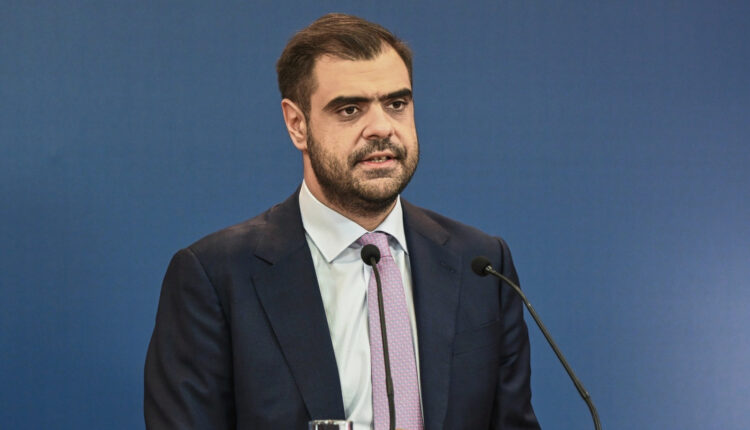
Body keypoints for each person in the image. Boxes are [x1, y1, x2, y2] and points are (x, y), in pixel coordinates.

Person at [144, 13, 540, 430]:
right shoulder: (215, 277)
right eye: (350, 109)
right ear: (297, 125)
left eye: (397, 104)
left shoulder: (481, 264)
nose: (381, 128)